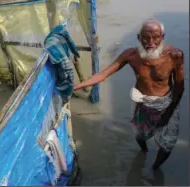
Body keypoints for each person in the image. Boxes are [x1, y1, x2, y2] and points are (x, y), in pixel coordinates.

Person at [73, 20, 184, 170]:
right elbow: (103, 75)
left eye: (156, 37)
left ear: (162, 37)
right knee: (139, 135)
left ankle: (155, 167)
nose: (151, 42)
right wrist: (77, 86)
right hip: (141, 102)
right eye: (146, 37)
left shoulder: (174, 56)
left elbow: (179, 88)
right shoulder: (131, 55)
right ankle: (144, 150)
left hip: (166, 104)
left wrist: (168, 113)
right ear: (139, 38)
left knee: (168, 144)